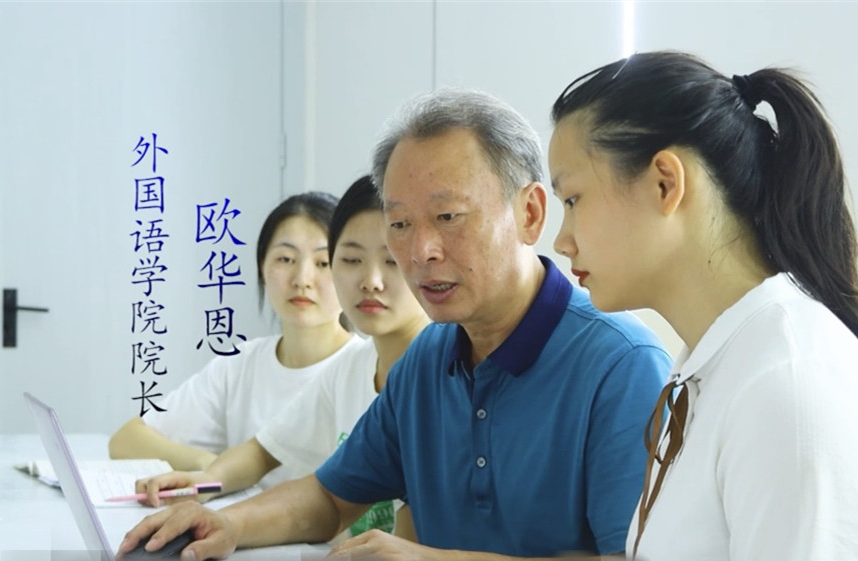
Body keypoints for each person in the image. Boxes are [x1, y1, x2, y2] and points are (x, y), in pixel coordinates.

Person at [117, 89, 672, 561]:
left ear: (529, 214)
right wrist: (229, 523)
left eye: (448, 217)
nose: (420, 250)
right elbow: (331, 498)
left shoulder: (622, 367)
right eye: (400, 224)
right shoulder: (430, 357)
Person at [548, 51, 858, 561]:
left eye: (573, 200)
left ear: (665, 183)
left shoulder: (785, 385)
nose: (562, 241)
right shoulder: (715, 368)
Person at [132, 175, 430, 538]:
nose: (371, 281)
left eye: (392, 261)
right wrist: (208, 486)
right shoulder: (349, 369)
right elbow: (267, 450)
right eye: (351, 259)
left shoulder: (447, 374)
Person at [109, 191, 365, 489]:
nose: (302, 279)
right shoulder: (241, 363)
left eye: (323, 262)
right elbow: (126, 440)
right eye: (285, 259)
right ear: (262, 267)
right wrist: (213, 468)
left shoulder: (365, 368)